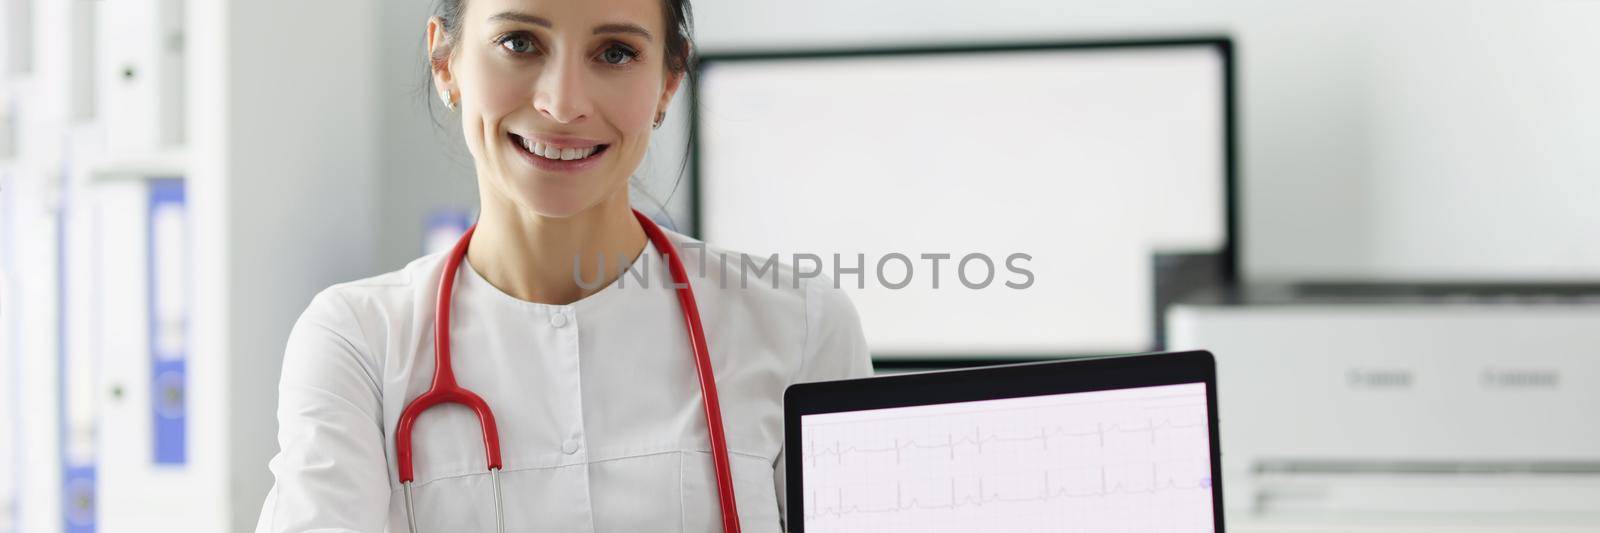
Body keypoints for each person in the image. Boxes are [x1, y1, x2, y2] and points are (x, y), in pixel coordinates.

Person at [253, 0, 872, 530]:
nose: (563, 102)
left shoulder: (802, 330)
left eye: (615, 53)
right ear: (446, 62)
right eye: (519, 42)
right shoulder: (357, 341)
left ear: (668, 81)